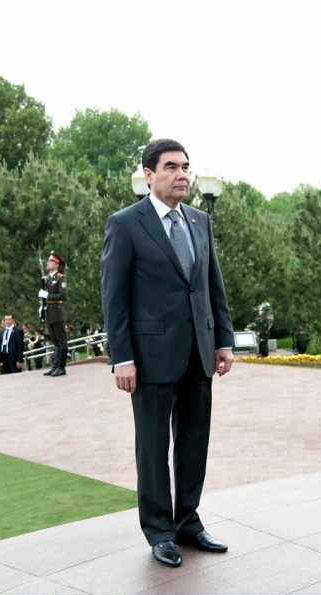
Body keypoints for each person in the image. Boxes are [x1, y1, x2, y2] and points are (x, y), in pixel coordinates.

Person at [101, 138, 235, 568]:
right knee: (153, 448)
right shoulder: (125, 224)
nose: (182, 175)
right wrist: (121, 357)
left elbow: (213, 284)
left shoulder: (199, 220)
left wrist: (224, 340)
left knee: (194, 442)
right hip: (150, 359)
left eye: (186, 167)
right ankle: (159, 531)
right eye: (172, 167)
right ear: (148, 174)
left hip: (199, 351)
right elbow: (114, 298)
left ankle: (188, 522)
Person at [38, 251, 69, 377]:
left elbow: (63, 295)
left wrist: (48, 296)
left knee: (61, 341)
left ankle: (61, 367)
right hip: (49, 313)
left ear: (56, 265)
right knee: (55, 342)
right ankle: (55, 366)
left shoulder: (61, 278)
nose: (48, 263)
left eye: (51, 261)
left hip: (57, 313)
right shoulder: (47, 279)